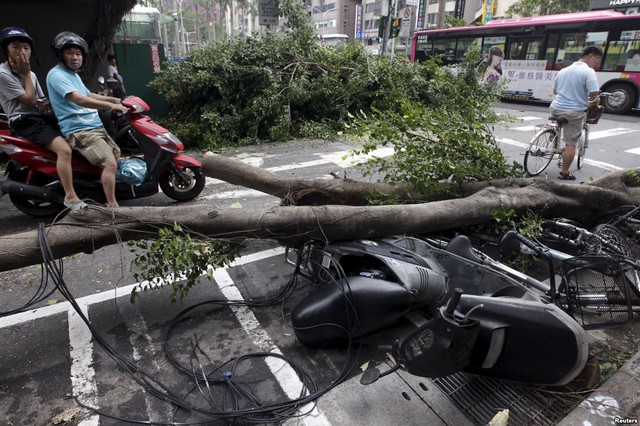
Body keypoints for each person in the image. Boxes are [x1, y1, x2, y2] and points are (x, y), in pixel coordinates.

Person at [0, 27, 86, 209]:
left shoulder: (30, 74)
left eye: (26, 48)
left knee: (79, 134)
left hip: (38, 117)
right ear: (6, 50)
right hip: (23, 121)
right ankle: (71, 197)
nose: (22, 52)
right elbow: (30, 101)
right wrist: (25, 75)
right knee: (65, 150)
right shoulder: (3, 74)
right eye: (16, 47)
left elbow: (39, 100)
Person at [46, 31, 128, 208]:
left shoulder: (73, 75)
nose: (75, 57)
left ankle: (100, 190)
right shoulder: (57, 75)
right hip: (80, 130)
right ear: (60, 54)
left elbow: (88, 94)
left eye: (78, 54)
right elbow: (79, 99)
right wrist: (111, 106)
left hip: (93, 126)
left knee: (115, 154)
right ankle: (112, 206)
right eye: (70, 53)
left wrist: (115, 100)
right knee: (110, 164)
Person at [549, 45, 603, 181]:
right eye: (596, 60)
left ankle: (554, 134)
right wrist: (594, 103)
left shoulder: (563, 70)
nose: (597, 64)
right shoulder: (588, 72)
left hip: (555, 107)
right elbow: (594, 94)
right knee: (571, 143)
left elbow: (555, 92)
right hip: (573, 111)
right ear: (590, 56)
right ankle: (565, 172)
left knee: (562, 119)